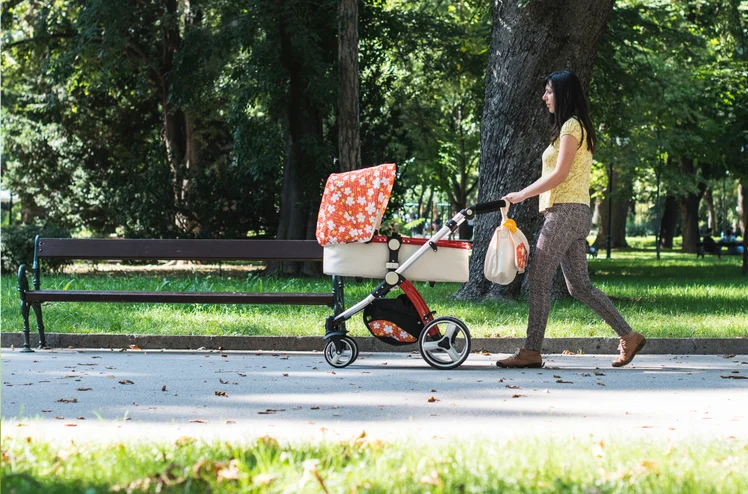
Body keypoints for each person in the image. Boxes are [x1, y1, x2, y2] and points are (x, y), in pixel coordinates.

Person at [496, 70, 645, 369]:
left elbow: (560, 174)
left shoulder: (570, 127)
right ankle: (629, 335)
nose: (544, 97)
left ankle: (531, 350)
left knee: (538, 280)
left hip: (564, 212)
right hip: (574, 213)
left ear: (563, 93)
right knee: (579, 286)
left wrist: (522, 194)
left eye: (549, 91)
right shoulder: (576, 127)